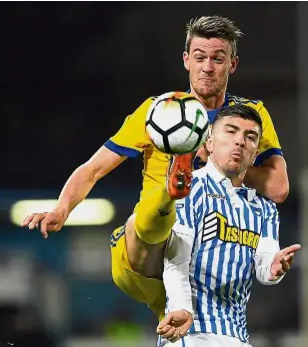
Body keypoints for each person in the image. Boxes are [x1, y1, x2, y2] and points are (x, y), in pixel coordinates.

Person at [21, 15, 289, 332]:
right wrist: (61, 209)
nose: (208, 67)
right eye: (200, 57)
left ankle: (177, 185)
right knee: (151, 224)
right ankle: (171, 188)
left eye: (218, 59)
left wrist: (223, 161)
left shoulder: (249, 117)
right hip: (149, 258)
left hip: (202, 271)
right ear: (186, 60)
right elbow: (93, 169)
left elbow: (278, 188)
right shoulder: (158, 112)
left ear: (232, 64)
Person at [157, 104, 301, 346]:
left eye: (250, 137)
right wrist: (182, 309)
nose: (240, 142)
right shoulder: (189, 190)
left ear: (255, 154)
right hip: (191, 332)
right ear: (209, 143)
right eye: (231, 131)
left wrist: (274, 268)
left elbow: (264, 267)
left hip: (237, 336)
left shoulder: (264, 209)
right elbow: (175, 262)